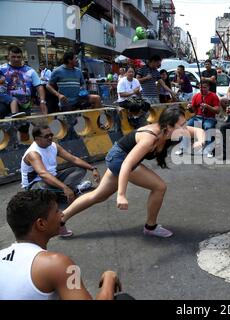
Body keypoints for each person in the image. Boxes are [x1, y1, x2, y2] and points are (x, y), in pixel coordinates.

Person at [59, 106, 205, 238]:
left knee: (98, 195)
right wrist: (121, 195)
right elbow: (127, 164)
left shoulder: (171, 131)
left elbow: (199, 130)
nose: (186, 128)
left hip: (118, 157)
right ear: (168, 125)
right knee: (159, 187)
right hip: (120, 159)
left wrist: (200, 141)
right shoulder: (150, 137)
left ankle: (61, 219)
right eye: (182, 125)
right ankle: (151, 227)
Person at [0, 190, 128, 300]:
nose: (61, 214)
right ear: (41, 224)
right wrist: (109, 279)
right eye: (56, 211)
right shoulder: (56, 263)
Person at [21, 125, 100, 206]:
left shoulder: (53, 146)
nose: (50, 138)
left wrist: (93, 168)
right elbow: (43, 174)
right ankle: (68, 191)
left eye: (51, 135)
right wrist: (64, 187)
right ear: (37, 138)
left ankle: (65, 192)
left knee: (80, 169)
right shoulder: (33, 153)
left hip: (53, 177)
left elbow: (73, 159)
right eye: (46, 136)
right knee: (43, 188)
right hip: (36, 184)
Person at [0, 45, 47, 117]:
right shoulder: (2, 69)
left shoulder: (30, 71)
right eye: (13, 57)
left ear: (22, 57)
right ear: (8, 57)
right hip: (5, 104)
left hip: (24, 104)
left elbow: (39, 86)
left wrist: (42, 101)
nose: (16, 59)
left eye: (18, 57)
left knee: (24, 126)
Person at [176, 81, 219, 158]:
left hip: (210, 118)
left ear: (208, 87)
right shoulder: (196, 96)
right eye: (200, 87)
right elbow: (193, 111)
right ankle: (182, 147)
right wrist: (190, 108)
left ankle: (209, 150)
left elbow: (217, 111)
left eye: (204, 87)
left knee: (208, 127)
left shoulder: (214, 96)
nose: (202, 89)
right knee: (185, 126)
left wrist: (208, 107)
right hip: (198, 117)